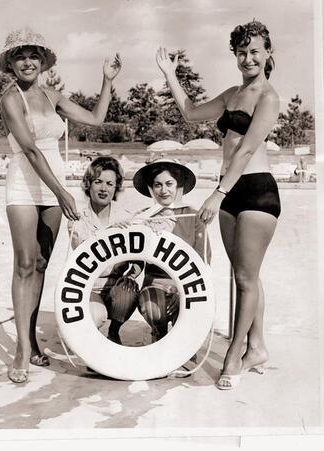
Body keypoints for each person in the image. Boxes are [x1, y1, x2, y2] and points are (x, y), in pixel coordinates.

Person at [156, 20, 281, 389]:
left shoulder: (268, 97)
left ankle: (233, 356)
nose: (248, 58)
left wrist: (217, 193)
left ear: (267, 52)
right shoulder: (231, 93)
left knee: (244, 278)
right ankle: (257, 347)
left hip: (256, 191)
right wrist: (170, 75)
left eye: (255, 51)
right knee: (247, 275)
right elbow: (190, 113)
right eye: (242, 52)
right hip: (230, 191)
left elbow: (244, 150)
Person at [0, 27, 121, 383]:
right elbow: (32, 151)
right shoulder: (10, 99)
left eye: (33, 56)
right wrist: (63, 194)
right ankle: (22, 350)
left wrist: (106, 80)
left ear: (42, 62)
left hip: (54, 188)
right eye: (20, 56)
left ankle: (32, 340)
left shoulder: (53, 96)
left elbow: (96, 119)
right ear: (11, 63)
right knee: (23, 264)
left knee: (40, 263)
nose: (27, 62)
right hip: (24, 184)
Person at [108, 158, 211, 344]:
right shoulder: (144, 216)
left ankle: (185, 342)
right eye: (158, 185)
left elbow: (203, 261)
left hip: (187, 285)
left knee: (188, 308)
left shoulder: (193, 215)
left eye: (169, 184)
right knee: (152, 306)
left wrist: (182, 292)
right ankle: (160, 334)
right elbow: (136, 261)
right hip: (155, 283)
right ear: (151, 188)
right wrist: (119, 230)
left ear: (178, 185)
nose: (164, 191)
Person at [68, 156, 139, 344]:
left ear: (116, 188)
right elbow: (84, 253)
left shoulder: (126, 217)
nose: (103, 189)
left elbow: (139, 257)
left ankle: (114, 331)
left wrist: (132, 274)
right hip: (90, 287)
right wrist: (111, 232)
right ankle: (94, 339)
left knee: (128, 291)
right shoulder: (77, 218)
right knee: (95, 316)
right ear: (88, 185)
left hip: (115, 285)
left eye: (109, 184)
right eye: (98, 182)